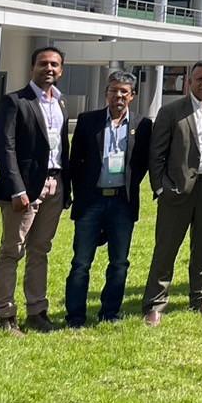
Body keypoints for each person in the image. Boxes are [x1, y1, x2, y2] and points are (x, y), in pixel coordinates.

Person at [142, 62, 202, 325]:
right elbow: (156, 154)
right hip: (177, 191)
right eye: (199, 79)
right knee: (166, 248)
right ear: (189, 82)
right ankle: (155, 304)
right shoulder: (171, 111)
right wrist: (161, 187)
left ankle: (201, 299)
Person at [0, 46, 72, 335]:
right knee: (12, 250)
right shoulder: (15, 101)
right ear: (32, 67)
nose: (49, 68)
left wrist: (65, 188)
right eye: (43, 63)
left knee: (40, 250)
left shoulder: (60, 102)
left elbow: (62, 147)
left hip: (55, 185)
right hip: (24, 190)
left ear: (61, 70)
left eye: (54, 64)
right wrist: (17, 189)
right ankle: (6, 314)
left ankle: (37, 311)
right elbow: (6, 147)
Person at [64, 71, 150, 327]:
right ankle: (75, 316)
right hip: (92, 201)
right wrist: (77, 194)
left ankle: (110, 312)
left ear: (132, 96)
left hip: (122, 203)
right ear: (106, 93)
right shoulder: (87, 121)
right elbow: (75, 161)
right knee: (81, 263)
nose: (118, 96)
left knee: (119, 263)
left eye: (124, 92)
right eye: (114, 91)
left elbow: (142, 164)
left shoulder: (142, 125)